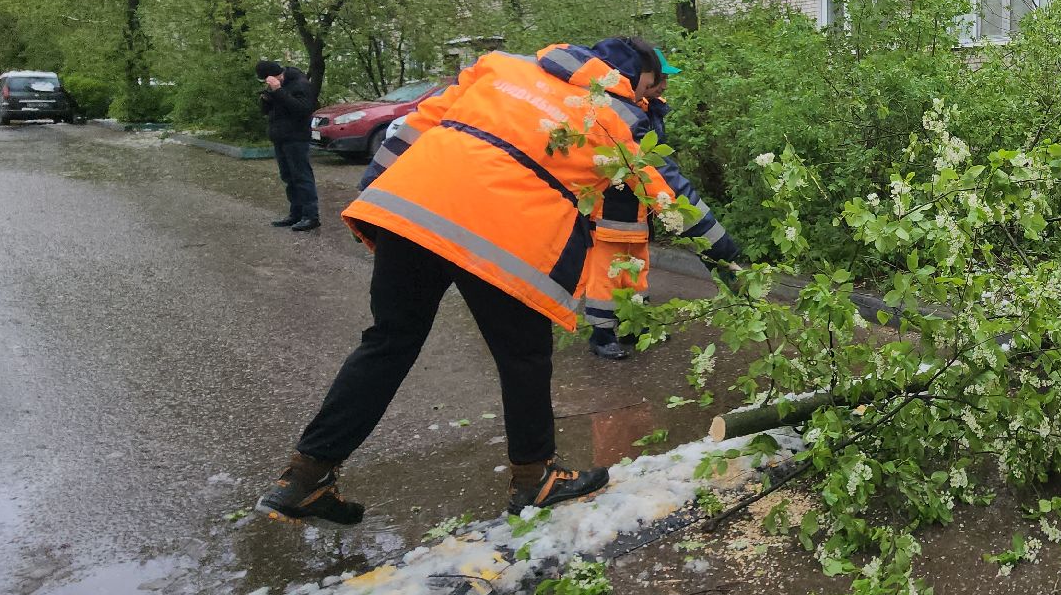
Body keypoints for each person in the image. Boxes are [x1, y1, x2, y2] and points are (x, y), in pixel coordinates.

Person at [257, 38, 743, 524]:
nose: (644, 97)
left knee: (388, 343)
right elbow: (669, 192)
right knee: (523, 356)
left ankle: (304, 476)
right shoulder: (612, 116)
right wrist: (727, 256)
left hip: (409, 208)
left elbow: (415, 127)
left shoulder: (500, 68)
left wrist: (373, 196)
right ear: (622, 77)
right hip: (501, 234)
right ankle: (535, 477)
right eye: (644, 86)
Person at [583, 38, 740, 359]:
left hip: (640, 210)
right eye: (658, 78)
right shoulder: (616, 115)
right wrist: (715, 247)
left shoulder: (641, 108)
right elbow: (657, 172)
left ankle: (635, 325)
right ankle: (602, 334)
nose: (662, 85)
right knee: (607, 274)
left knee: (636, 271)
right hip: (610, 211)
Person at [256, 59, 321, 232]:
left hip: (296, 137)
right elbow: (266, 111)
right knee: (288, 177)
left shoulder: (300, 83)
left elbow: (303, 109)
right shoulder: (275, 86)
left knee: (301, 176)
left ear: (276, 75)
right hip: (280, 137)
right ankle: (296, 213)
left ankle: (311, 216)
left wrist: (279, 91)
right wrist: (266, 98)